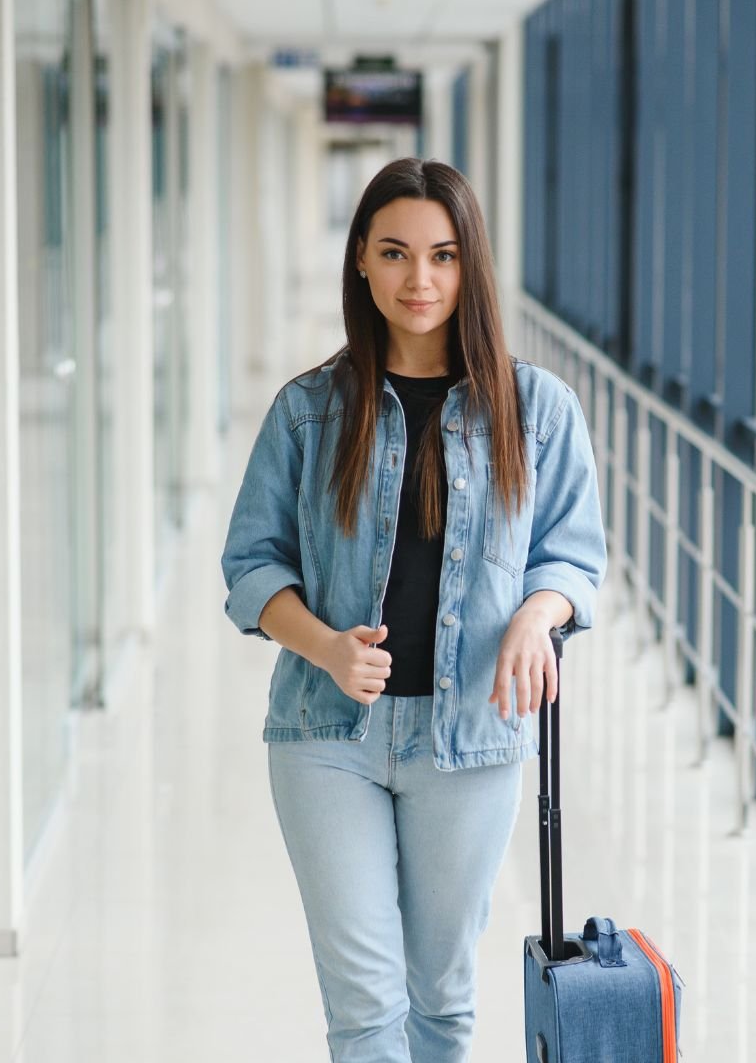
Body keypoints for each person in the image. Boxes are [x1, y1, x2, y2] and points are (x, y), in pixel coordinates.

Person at [221, 157, 607, 1063]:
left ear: (470, 266)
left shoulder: (538, 410)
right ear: (360, 258)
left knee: (441, 1002)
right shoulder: (309, 411)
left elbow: (575, 556)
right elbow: (248, 565)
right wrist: (322, 645)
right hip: (326, 739)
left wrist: (534, 613)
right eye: (395, 253)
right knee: (363, 1009)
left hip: (470, 740)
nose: (420, 280)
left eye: (442, 256)